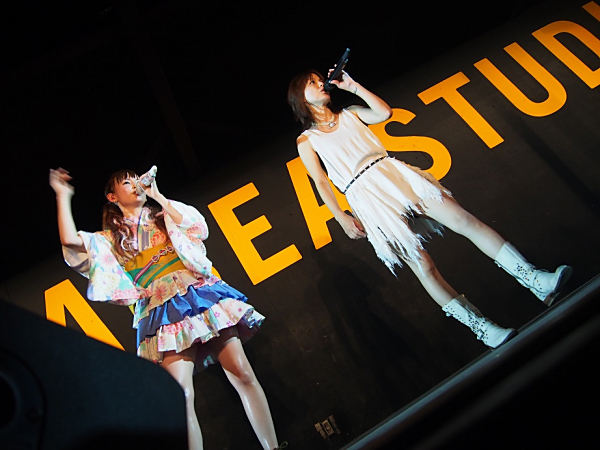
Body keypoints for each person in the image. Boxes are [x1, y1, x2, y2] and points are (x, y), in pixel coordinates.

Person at [287, 69, 572, 349]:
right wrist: (341, 217)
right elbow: (321, 182)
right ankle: (483, 329)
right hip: (366, 195)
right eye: (312, 83)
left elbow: (384, 113)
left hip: (392, 173)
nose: (321, 83)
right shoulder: (308, 141)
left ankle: (533, 278)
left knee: (464, 220)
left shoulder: (350, 113)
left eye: (320, 80)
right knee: (423, 265)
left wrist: (353, 87)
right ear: (300, 98)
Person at [49, 167, 286, 450]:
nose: (135, 184)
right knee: (181, 397)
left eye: (136, 179)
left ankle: (273, 447)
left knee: (242, 373)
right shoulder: (109, 239)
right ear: (113, 197)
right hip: (161, 310)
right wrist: (62, 195)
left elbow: (199, 228)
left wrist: (158, 196)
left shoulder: (163, 217)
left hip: (197, 296)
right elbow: (70, 243)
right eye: (127, 182)